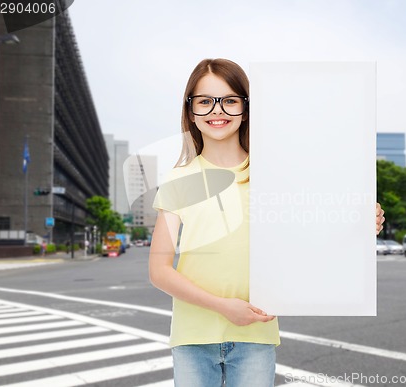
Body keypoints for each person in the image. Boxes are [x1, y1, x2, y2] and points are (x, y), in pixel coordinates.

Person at [149, 58, 385, 387]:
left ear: (246, 109)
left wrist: (359, 223)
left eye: (230, 100)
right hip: (193, 337)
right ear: (190, 111)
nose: (217, 111)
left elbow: (312, 233)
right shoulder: (179, 179)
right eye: (204, 101)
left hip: (256, 335)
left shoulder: (274, 173)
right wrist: (223, 307)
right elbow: (159, 271)